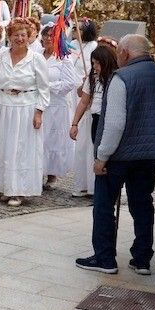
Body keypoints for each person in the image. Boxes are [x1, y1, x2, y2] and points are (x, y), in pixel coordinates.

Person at [77, 35, 155, 275]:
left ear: (125, 53)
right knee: (143, 205)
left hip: (119, 156)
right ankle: (142, 259)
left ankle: (105, 258)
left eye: (120, 52)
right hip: (148, 155)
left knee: (103, 205)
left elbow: (114, 125)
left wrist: (102, 157)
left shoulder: (121, 78)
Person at [0, 17, 50, 207]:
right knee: (5, 147)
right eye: (16, 35)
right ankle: (7, 187)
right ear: (10, 37)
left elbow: (44, 88)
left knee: (21, 149)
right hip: (4, 105)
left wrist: (39, 112)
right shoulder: (1, 56)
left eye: (23, 35)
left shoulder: (36, 58)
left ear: (29, 36)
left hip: (26, 107)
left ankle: (19, 190)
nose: (20, 39)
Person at [41, 23, 81, 187]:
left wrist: (47, 87)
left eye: (52, 35)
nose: (48, 38)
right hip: (39, 103)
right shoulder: (36, 55)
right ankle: (37, 170)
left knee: (53, 140)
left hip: (56, 105)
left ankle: (51, 174)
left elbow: (69, 83)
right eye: (46, 35)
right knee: (39, 139)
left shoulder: (64, 58)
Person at [71, 19, 101, 197]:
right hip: (78, 89)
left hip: (91, 101)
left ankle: (93, 186)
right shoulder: (73, 44)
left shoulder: (92, 46)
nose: (74, 30)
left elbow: (90, 67)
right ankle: (82, 184)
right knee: (82, 149)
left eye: (78, 28)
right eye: (74, 27)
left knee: (91, 148)